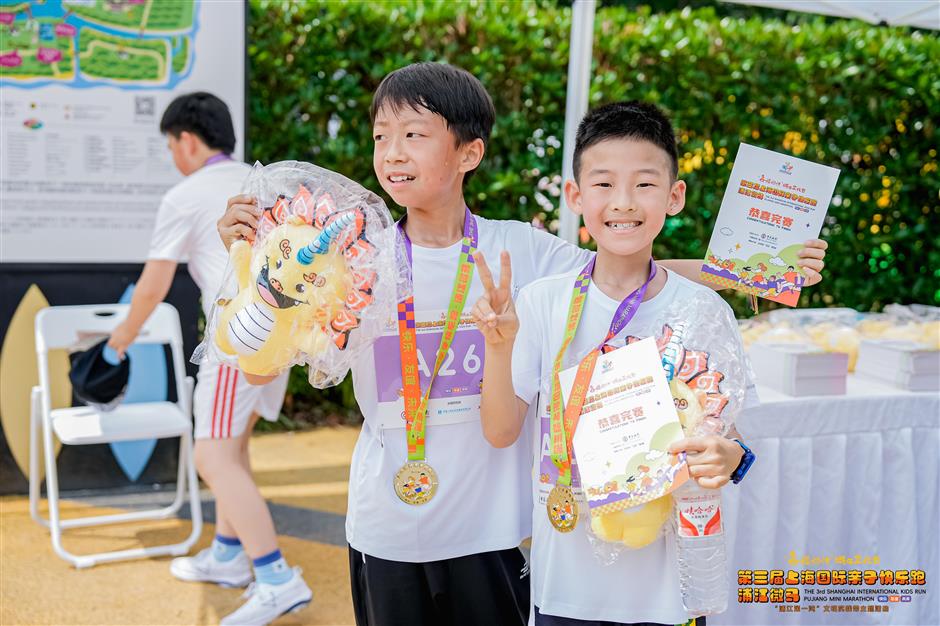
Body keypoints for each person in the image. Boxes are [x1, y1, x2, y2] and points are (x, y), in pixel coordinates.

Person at [218, 63, 827, 626]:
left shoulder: (521, 252)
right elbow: (262, 359)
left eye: (413, 134)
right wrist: (247, 263)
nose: (392, 153)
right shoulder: (353, 261)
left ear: (469, 152)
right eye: (381, 137)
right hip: (387, 528)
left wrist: (757, 267)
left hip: (493, 535)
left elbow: (631, 265)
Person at [474, 100, 762, 625]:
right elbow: (498, 431)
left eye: (645, 184)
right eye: (604, 184)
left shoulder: (703, 310)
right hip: (566, 587)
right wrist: (497, 348)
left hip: (668, 591)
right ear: (576, 196)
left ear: (675, 196)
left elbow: (736, 439)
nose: (623, 202)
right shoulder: (543, 302)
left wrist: (727, 455)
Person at [106, 92, 309, 626]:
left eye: (172, 145)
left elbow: (152, 286)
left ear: (188, 141)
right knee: (233, 449)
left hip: (232, 341)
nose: (174, 155)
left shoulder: (186, 194)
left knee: (212, 458)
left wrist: (121, 337)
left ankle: (275, 576)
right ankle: (227, 554)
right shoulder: (260, 182)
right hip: (277, 335)